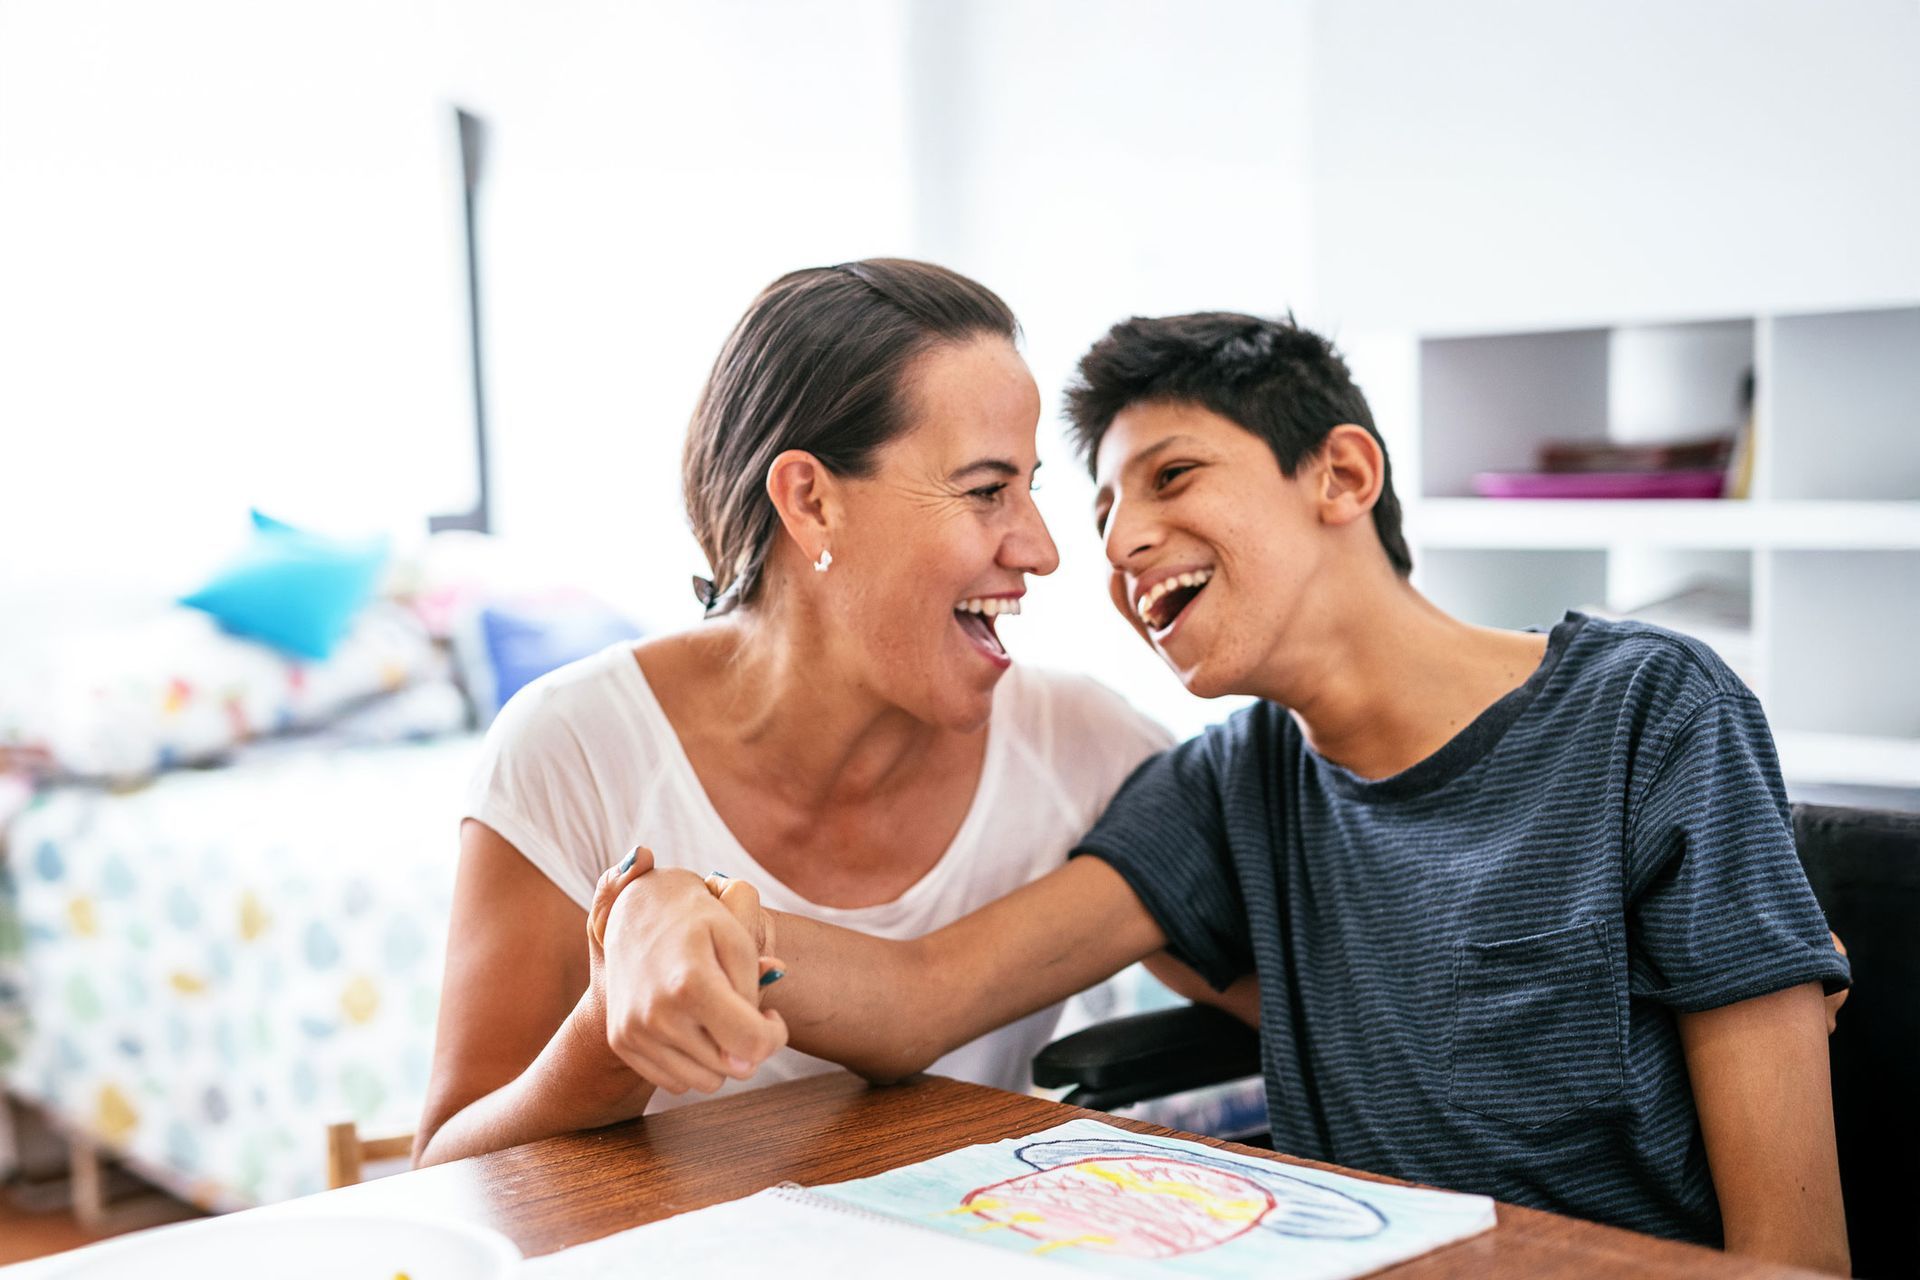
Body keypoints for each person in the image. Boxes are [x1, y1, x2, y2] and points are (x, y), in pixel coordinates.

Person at [600, 312, 1852, 1272]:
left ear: (1343, 475)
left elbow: (1794, 1257)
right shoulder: (1234, 781)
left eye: (1172, 477)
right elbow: (923, 993)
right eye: (1101, 513)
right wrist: (688, 915)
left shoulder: (1650, 712)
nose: (1121, 543)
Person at [410, 260, 1181, 1168]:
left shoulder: (1084, 746)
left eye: (1030, 488)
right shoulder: (571, 750)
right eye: (984, 491)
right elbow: (448, 1177)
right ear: (811, 501)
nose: (1044, 550)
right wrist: (611, 1024)